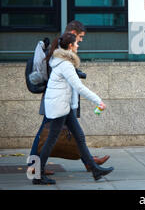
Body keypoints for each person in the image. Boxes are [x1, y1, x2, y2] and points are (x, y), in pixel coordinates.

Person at [28, 21, 109, 174]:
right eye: (80, 37)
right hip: (58, 103)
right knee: (48, 137)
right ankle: (35, 167)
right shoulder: (63, 59)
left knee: (77, 135)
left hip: (62, 102)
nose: (80, 41)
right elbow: (75, 85)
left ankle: (92, 166)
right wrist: (98, 101)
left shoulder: (60, 54)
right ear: (72, 36)